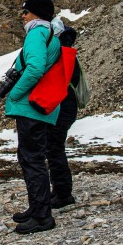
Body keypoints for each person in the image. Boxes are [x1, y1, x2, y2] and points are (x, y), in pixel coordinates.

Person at [5, 0, 61, 234]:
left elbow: (35, 68)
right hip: (38, 107)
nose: (23, 15)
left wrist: (16, 94)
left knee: (32, 160)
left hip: (31, 107)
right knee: (32, 158)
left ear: (36, 13)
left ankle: (41, 216)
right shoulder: (49, 34)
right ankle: (37, 207)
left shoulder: (36, 33)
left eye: (25, 11)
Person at [44, 24, 81, 209]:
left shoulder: (63, 53)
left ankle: (63, 193)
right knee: (54, 148)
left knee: (54, 148)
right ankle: (59, 190)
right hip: (67, 105)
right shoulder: (69, 52)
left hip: (62, 105)